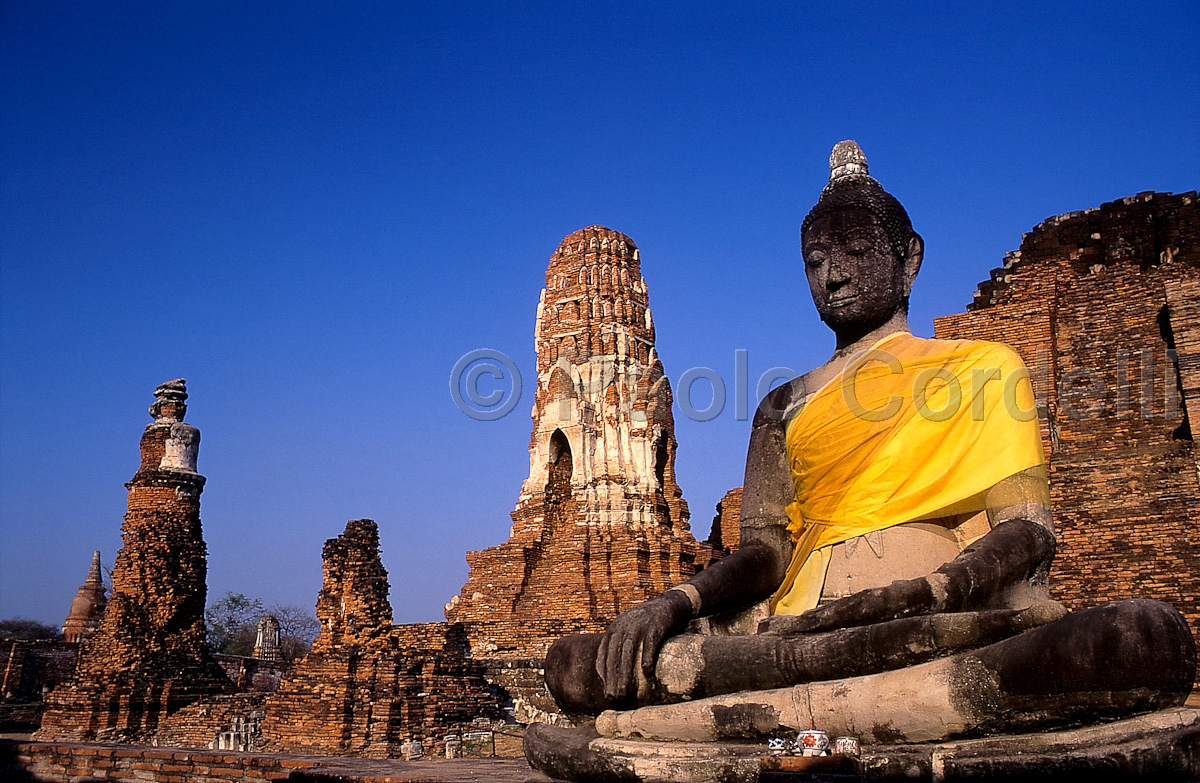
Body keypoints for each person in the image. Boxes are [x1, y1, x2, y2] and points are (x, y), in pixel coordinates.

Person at [530, 143, 1195, 757]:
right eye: (816, 263)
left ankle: (718, 722)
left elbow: (1027, 530)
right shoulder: (781, 405)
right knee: (577, 663)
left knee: (1140, 637)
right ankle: (898, 710)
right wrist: (675, 600)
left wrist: (930, 591)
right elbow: (766, 553)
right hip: (796, 634)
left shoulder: (985, 366)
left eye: (853, 251)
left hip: (936, 621)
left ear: (909, 259)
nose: (834, 276)